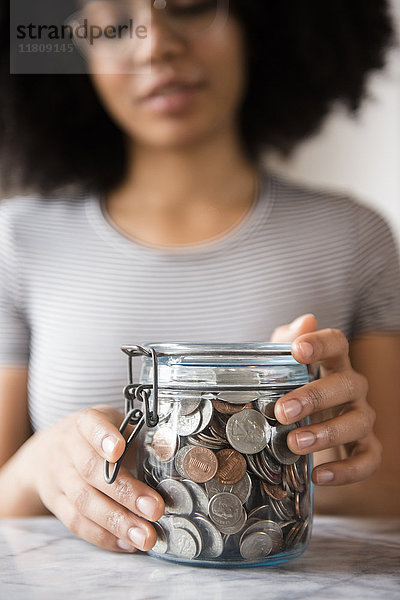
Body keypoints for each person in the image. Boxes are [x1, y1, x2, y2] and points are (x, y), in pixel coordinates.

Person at [0, 0, 399, 555]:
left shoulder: (355, 237)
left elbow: (389, 496)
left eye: (189, 6)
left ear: (257, 24)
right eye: (114, 26)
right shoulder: (17, 241)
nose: (155, 44)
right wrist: (39, 464)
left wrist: (313, 463)